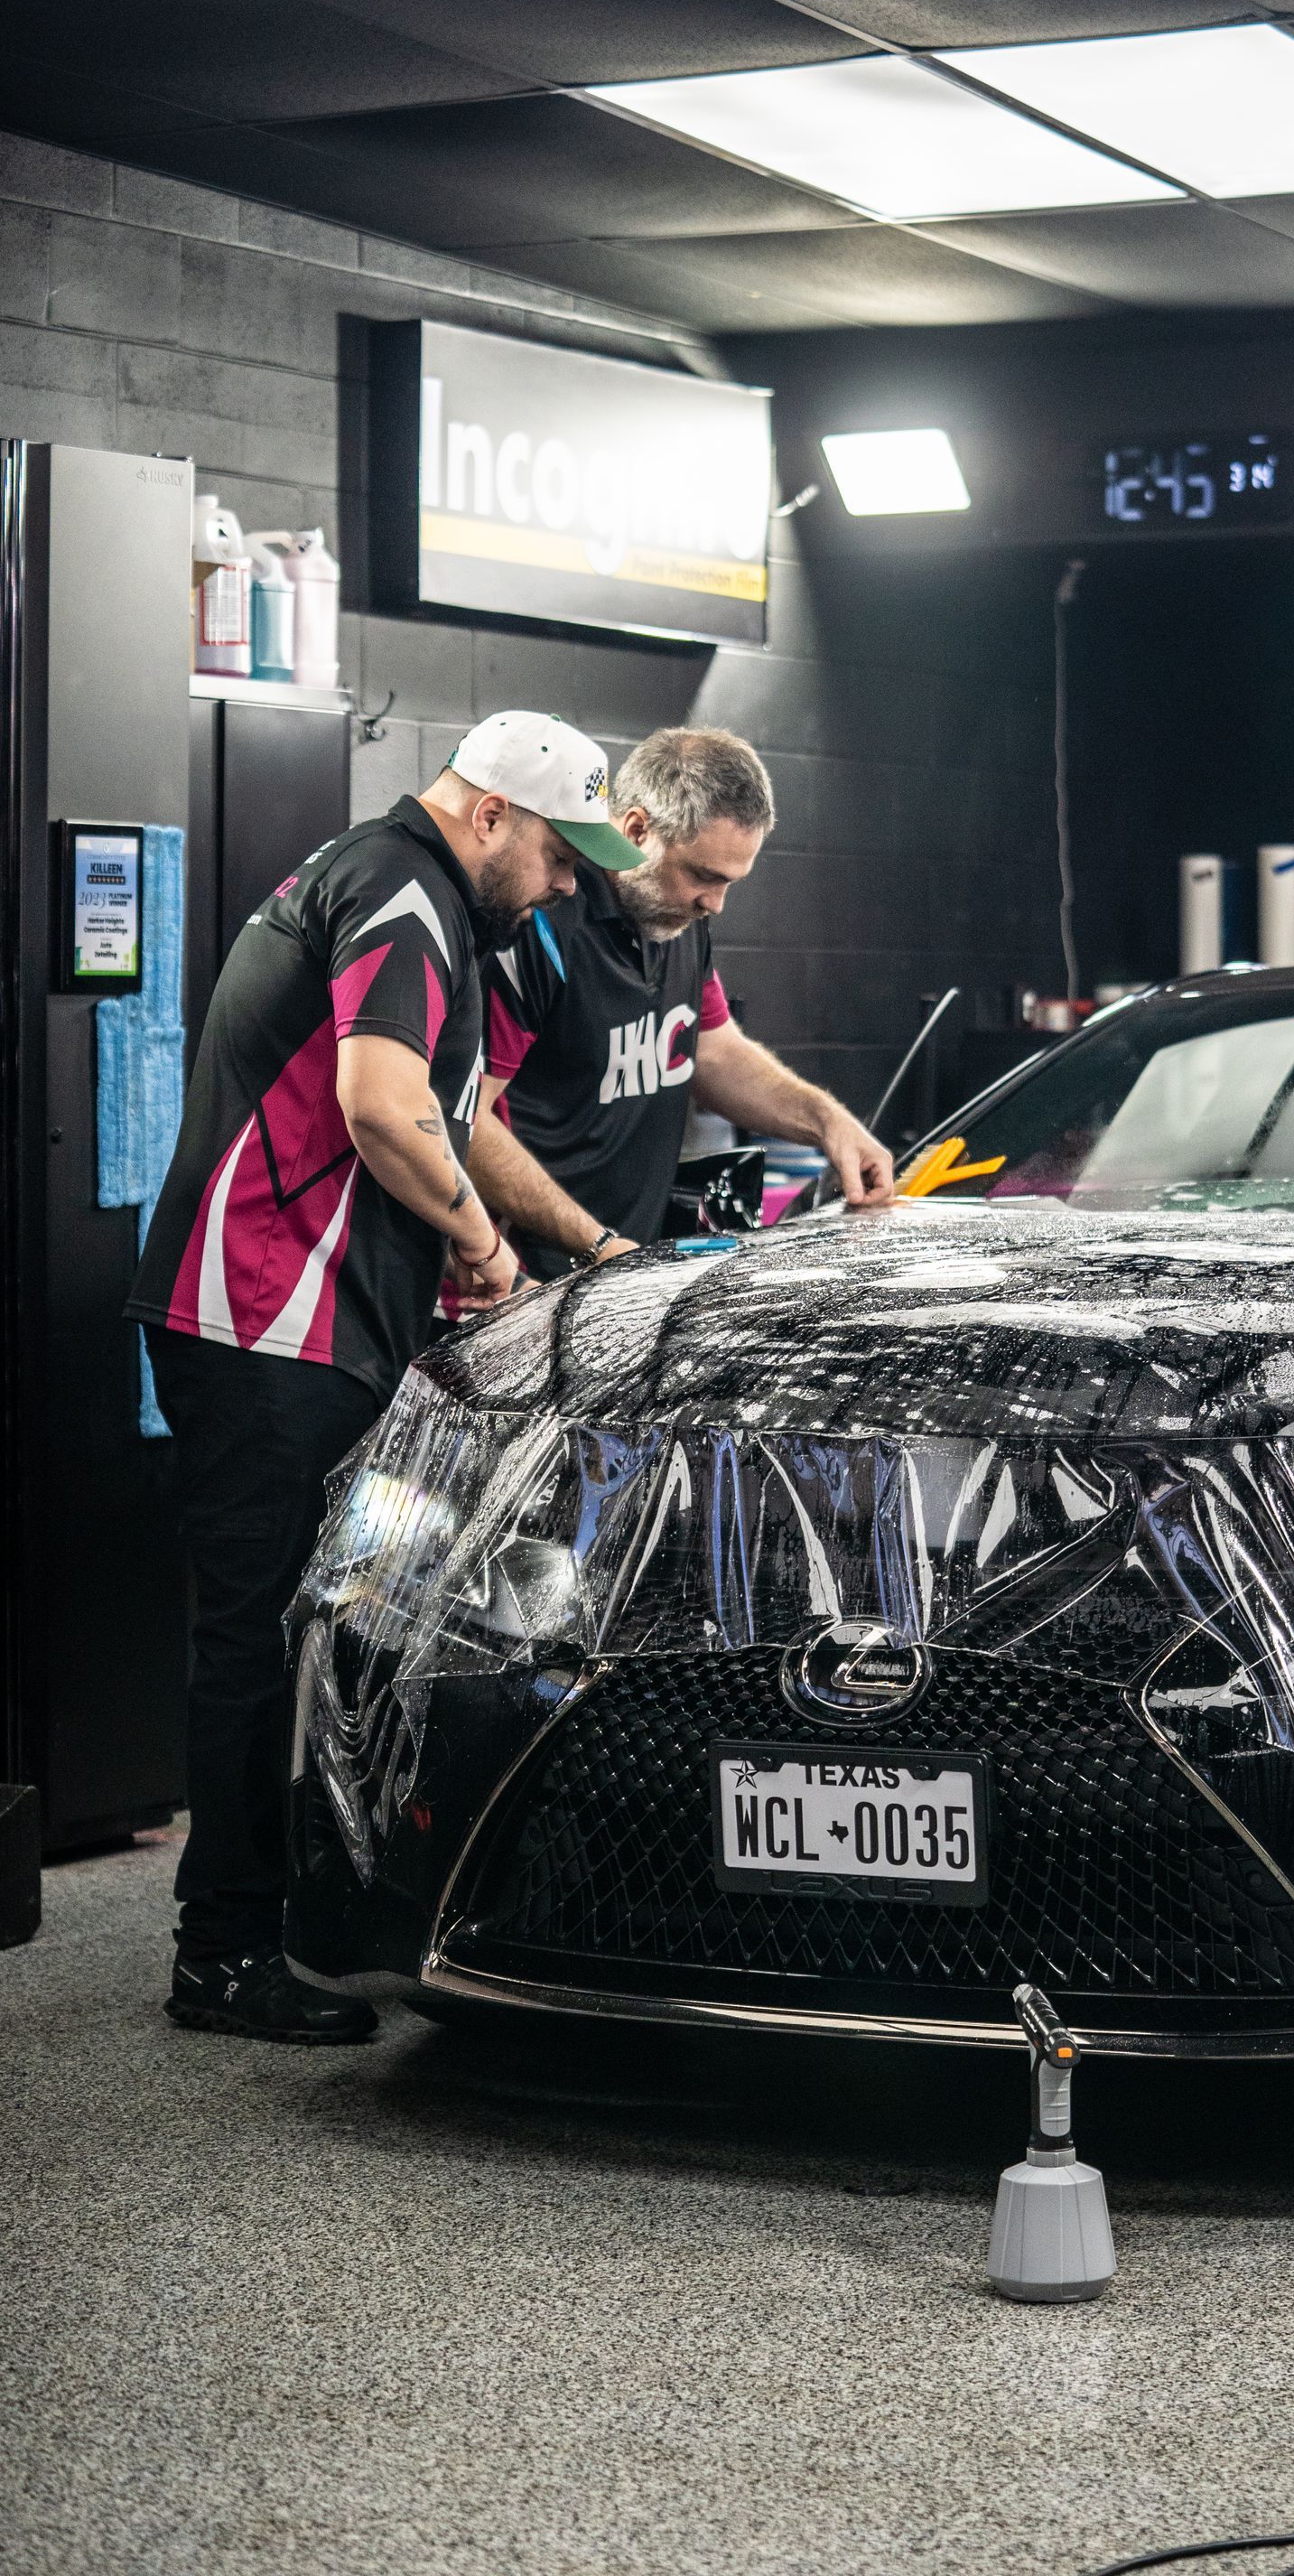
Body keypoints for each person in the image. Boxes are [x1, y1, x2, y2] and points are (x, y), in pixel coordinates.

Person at [126, 711, 633, 2042]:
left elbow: (445, 1117)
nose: (566, 884)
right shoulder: (403, 886)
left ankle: (283, 1913)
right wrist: (481, 1243)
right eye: (559, 855)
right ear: (488, 814)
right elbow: (380, 1103)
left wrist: (545, 1237)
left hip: (312, 1320)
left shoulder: (420, 897)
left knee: (308, 1627)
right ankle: (221, 1952)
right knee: (256, 1637)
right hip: (264, 1312)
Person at [466, 725, 896, 1275]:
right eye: (703, 875)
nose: (715, 904)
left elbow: (713, 1053)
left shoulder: (676, 918)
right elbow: (465, 1119)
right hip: (525, 1279)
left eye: (729, 882)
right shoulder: (542, 924)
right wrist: (596, 1244)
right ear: (636, 829)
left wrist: (828, 1122)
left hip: (623, 1264)